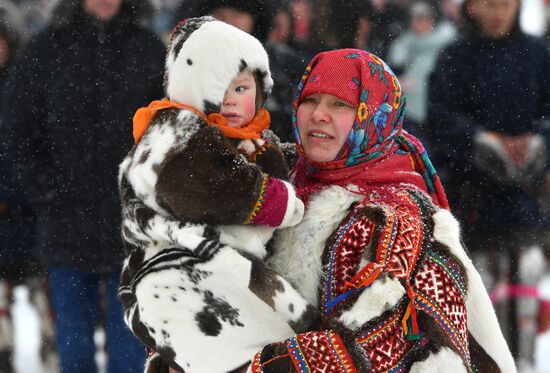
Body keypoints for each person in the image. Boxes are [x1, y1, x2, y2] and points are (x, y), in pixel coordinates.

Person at [142, 48, 515, 373]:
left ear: (375, 117)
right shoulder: (270, 177)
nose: (319, 114)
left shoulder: (400, 217)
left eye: (341, 104)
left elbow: (377, 345)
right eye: (310, 99)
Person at [118, 16, 312, 373]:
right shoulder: (174, 132)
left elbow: (267, 171)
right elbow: (210, 189)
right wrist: (280, 202)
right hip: (176, 269)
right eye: (219, 89)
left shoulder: (254, 140)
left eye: (242, 89)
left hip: (227, 275)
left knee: (267, 345)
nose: (231, 101)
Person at [0, 0, 166, 372]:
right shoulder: (46, 49)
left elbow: (170, 128)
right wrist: (45, 191)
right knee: (74, 355)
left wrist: (150, 192)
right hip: (65, 226)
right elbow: (17, 130)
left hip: (134, 227)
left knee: (130, 356)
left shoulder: (148, 48)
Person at [428, 0, 550, 358]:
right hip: (473, 200)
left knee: (524, 287)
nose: (499, 13)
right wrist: (482, 142)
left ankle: (525, 363)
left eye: (506, 4)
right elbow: (439, 119)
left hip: (526, 200)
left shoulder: (537, 55)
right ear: (472, 7)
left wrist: (536, 143)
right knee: (481, 300)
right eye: (491, 4)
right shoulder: (455, 57)